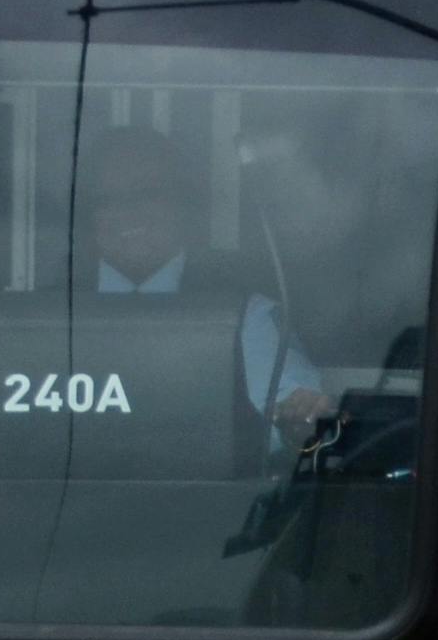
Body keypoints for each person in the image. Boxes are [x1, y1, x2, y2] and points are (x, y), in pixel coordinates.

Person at [79, 119, 331, 451]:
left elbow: (298, 415)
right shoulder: (45, 318)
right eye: (108, 199)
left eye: (147, 194)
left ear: (183, 205)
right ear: (89, 217)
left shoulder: (244, 316)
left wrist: (298, 422)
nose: (128, 212)